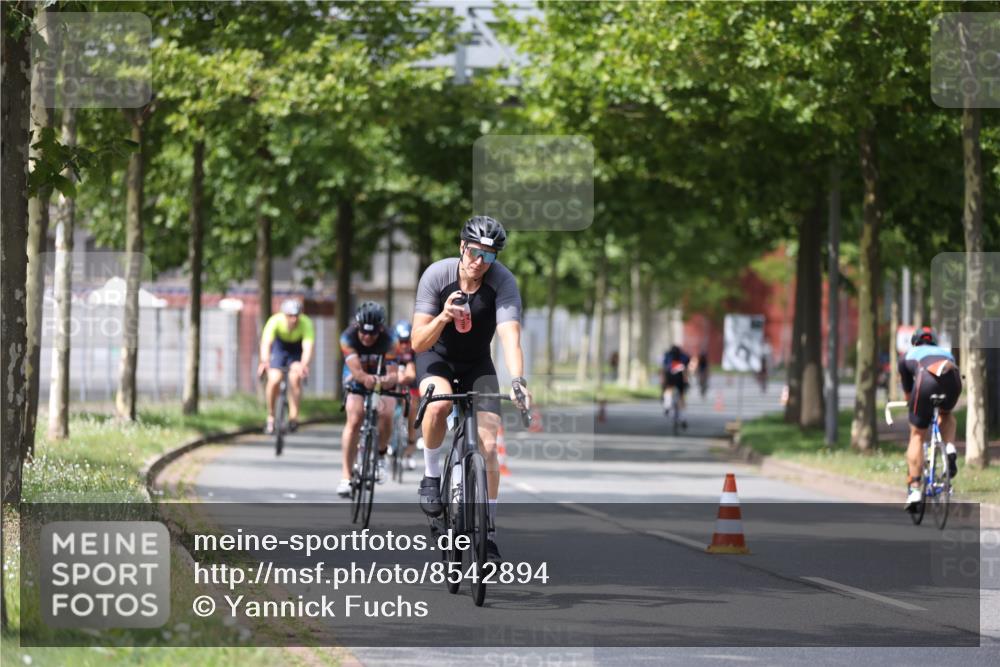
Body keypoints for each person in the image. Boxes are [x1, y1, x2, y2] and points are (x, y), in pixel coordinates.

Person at [411, 215, 531, 563]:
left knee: (489, 444)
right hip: (437, 358)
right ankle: (432, 476)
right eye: (475, 252)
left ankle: (488, 533)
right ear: (462, 247)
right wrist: (444, 317)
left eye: (489, 256)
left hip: (477, 363)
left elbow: (510, 337)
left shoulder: (502, 282)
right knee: (437, 406)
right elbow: (418, 342)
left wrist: (519, 381)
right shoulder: (438, 275)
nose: (480, 262)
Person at [336, 301, 399, 497]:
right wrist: (366, 379)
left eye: (372, 333)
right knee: (354, 419)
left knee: (387, 412)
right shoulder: (347, 337)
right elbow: (357, 372)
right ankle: (346, 477)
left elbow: (393, 375)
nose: (367, 337)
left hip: (380, 377)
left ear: (380, 329)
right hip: (356, 375)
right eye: (363, 331)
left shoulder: (391, 340)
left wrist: (385, 381)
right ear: (357, 326)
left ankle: (380, 456)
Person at [898, 326, 962, 511]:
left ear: (915, 342)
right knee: (946, 414)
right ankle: (949, 448)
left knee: (917, 435)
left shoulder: (907, 355)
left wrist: (911, 405)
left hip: (926, 380)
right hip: (952, 375)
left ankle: (916, 489)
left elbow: (908, 392)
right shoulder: (946, 353)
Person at [258, 299, 314, 434]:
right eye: (290, 316)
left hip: (296, 350)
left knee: (295, 379)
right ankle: (271, 416)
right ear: (284, 315)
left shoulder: (306, 323)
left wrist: (304, 364)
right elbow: (266, 343)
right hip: (279, 348)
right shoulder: (274, 321)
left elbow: (307, 347)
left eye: (296, 316)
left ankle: (293, 417)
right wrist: (265, 361)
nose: (294, 319)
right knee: (274, 380)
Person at [393, 319, 419, 470]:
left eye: (406, 341)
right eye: (401, 341)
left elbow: (413, 372)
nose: (404, 345)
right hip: (393, 382)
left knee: (412, 406)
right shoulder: (391, 350)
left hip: (411, 383)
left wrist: (408, 375)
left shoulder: (414, 351)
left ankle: (409, 450)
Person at [660, 344, 691, 428]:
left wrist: (662, 380)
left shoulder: (667, 356)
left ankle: (667, 405)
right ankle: (683, 418)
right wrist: (687, 381)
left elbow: (663, 369)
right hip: (680, 377)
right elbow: (686, 370)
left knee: (668, 389)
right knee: (681, 397)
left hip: (669, 376)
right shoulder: (684, 357)